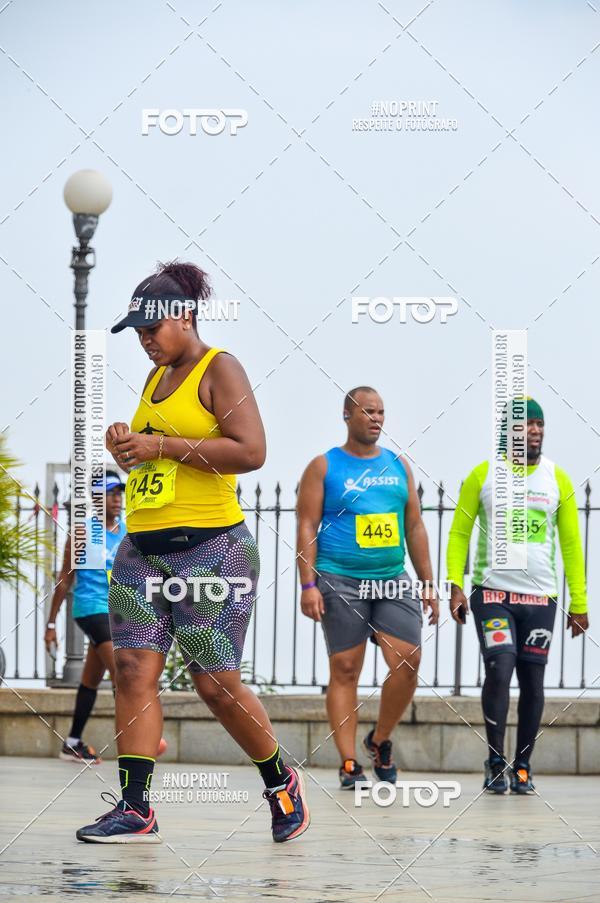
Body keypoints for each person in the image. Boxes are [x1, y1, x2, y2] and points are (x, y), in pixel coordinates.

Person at [76, 261, 309, 845]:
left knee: (214, 685)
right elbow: (164, 454)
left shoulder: (219, 368)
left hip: (211, 550)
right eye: (137, 332)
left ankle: (281, 782)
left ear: (184, 316)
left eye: (151, 328)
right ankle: (135, 807)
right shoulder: (153, 380)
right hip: (141, 550)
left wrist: (157, 444)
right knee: (131, 671)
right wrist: (129, 448)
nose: (145, 340)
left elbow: (250, 451)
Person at [296, 386, 438, 788]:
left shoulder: (398, 465)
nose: (376, 418)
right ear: (347, 415)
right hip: (339, 578)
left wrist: (428, 584)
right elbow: (306, 524)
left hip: (391, 578)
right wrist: (308, 584)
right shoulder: (324, 466)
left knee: (407, 661)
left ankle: (379, 740)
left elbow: (414, 526)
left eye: (380, 412)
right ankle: (348, 763)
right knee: (345, 668)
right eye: (367, 411)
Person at [446, 397, 589, 794]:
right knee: (499, 667)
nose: (535, 430)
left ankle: (522, 765)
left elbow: (571, 544)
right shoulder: (483, 475)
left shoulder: (556, 478)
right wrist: (455, 585)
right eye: (526, 424)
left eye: (539, 424)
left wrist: (579, 603)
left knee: (533, 680)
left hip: (541, 598)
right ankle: (496, 761)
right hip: (492, 593)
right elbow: (459, 533)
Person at [45, 471, 127, 763]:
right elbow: (64, 579)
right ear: (95, 497)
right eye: (110, 492)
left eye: (119, 493)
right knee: (123, 672)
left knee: (91, 679)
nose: (116, 499)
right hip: (91, 608)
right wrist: (51, 624)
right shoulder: (81, 533)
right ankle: (135, 739)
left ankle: (72, 743)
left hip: (117, 611)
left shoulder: (129, 531)